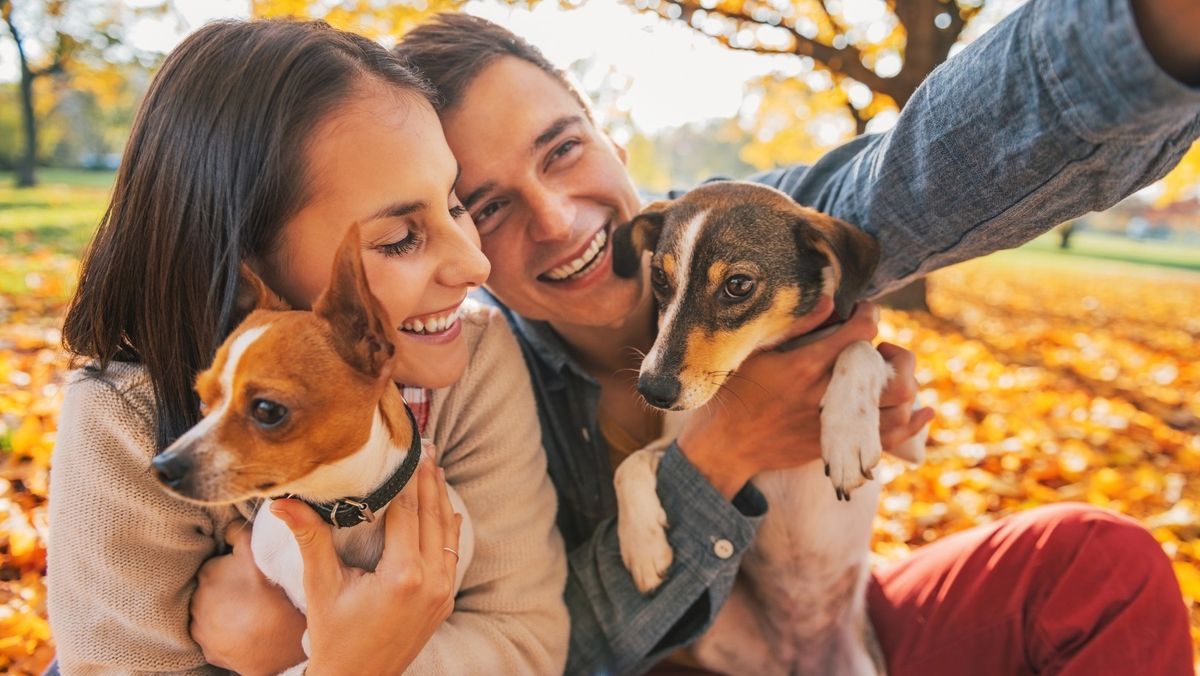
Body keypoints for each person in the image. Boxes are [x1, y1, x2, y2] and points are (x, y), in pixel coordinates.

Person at [195, 0, 1200, 673]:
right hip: (698, 654)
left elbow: (940, 161)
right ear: (454, 239)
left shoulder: (765, 231)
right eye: (487, 205)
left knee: (1096, 559)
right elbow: (557, 646)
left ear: (609, 135)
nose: (557, 219)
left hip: (850, 612)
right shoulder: (486, 390)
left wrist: (1145, 33)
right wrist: (721, 457)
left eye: (564, 148)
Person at [48, 19, 567, 674]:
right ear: (243, 277)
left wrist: (324, 650)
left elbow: (526, 644)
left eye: (455, 203)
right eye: (399, 238)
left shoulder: (471, 358)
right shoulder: (124, 417)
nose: (475, 267)